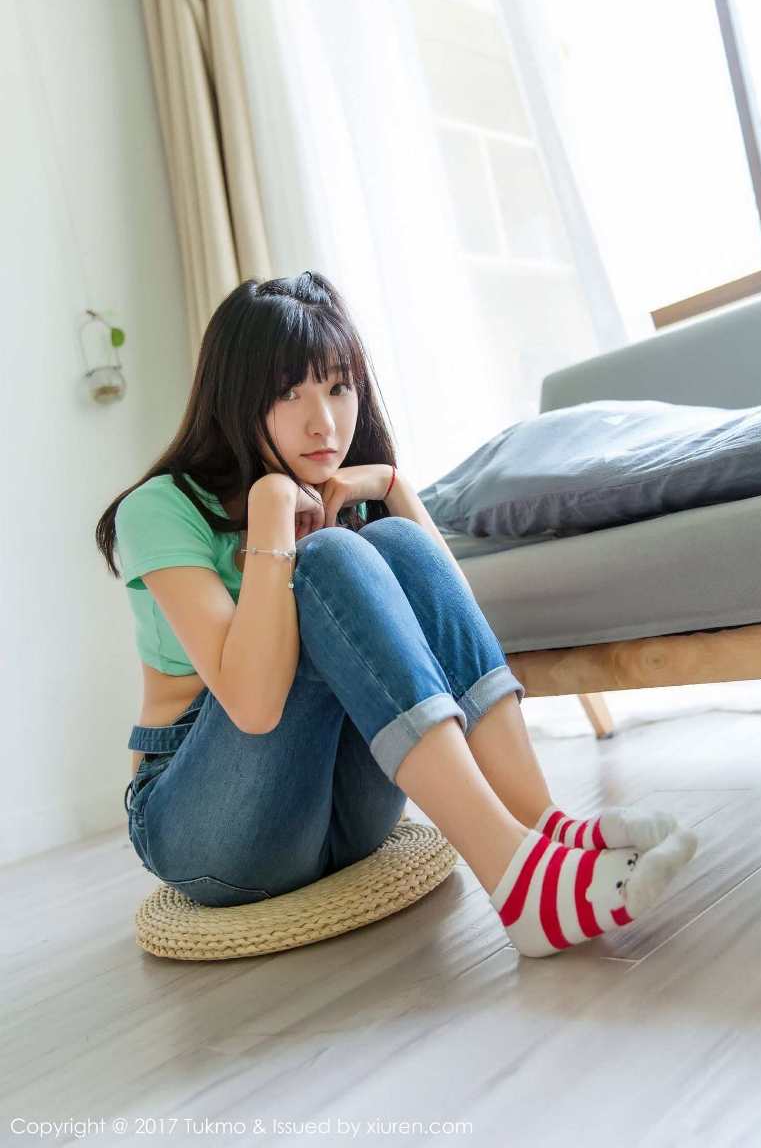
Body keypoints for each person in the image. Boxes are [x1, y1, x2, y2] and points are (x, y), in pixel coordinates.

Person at [95, 271, 697, 958]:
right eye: (288, 393)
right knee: (328, 556)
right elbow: (255, 707)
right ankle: (513, 876)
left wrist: (390, 486)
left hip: (348, 817)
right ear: (235, 398)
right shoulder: (160, 508)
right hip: (211, 827)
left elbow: (454, 634)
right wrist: (272, 511)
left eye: (338, 387)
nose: (323, 421)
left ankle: (541, 826)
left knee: (395, 540)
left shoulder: (336, 491)